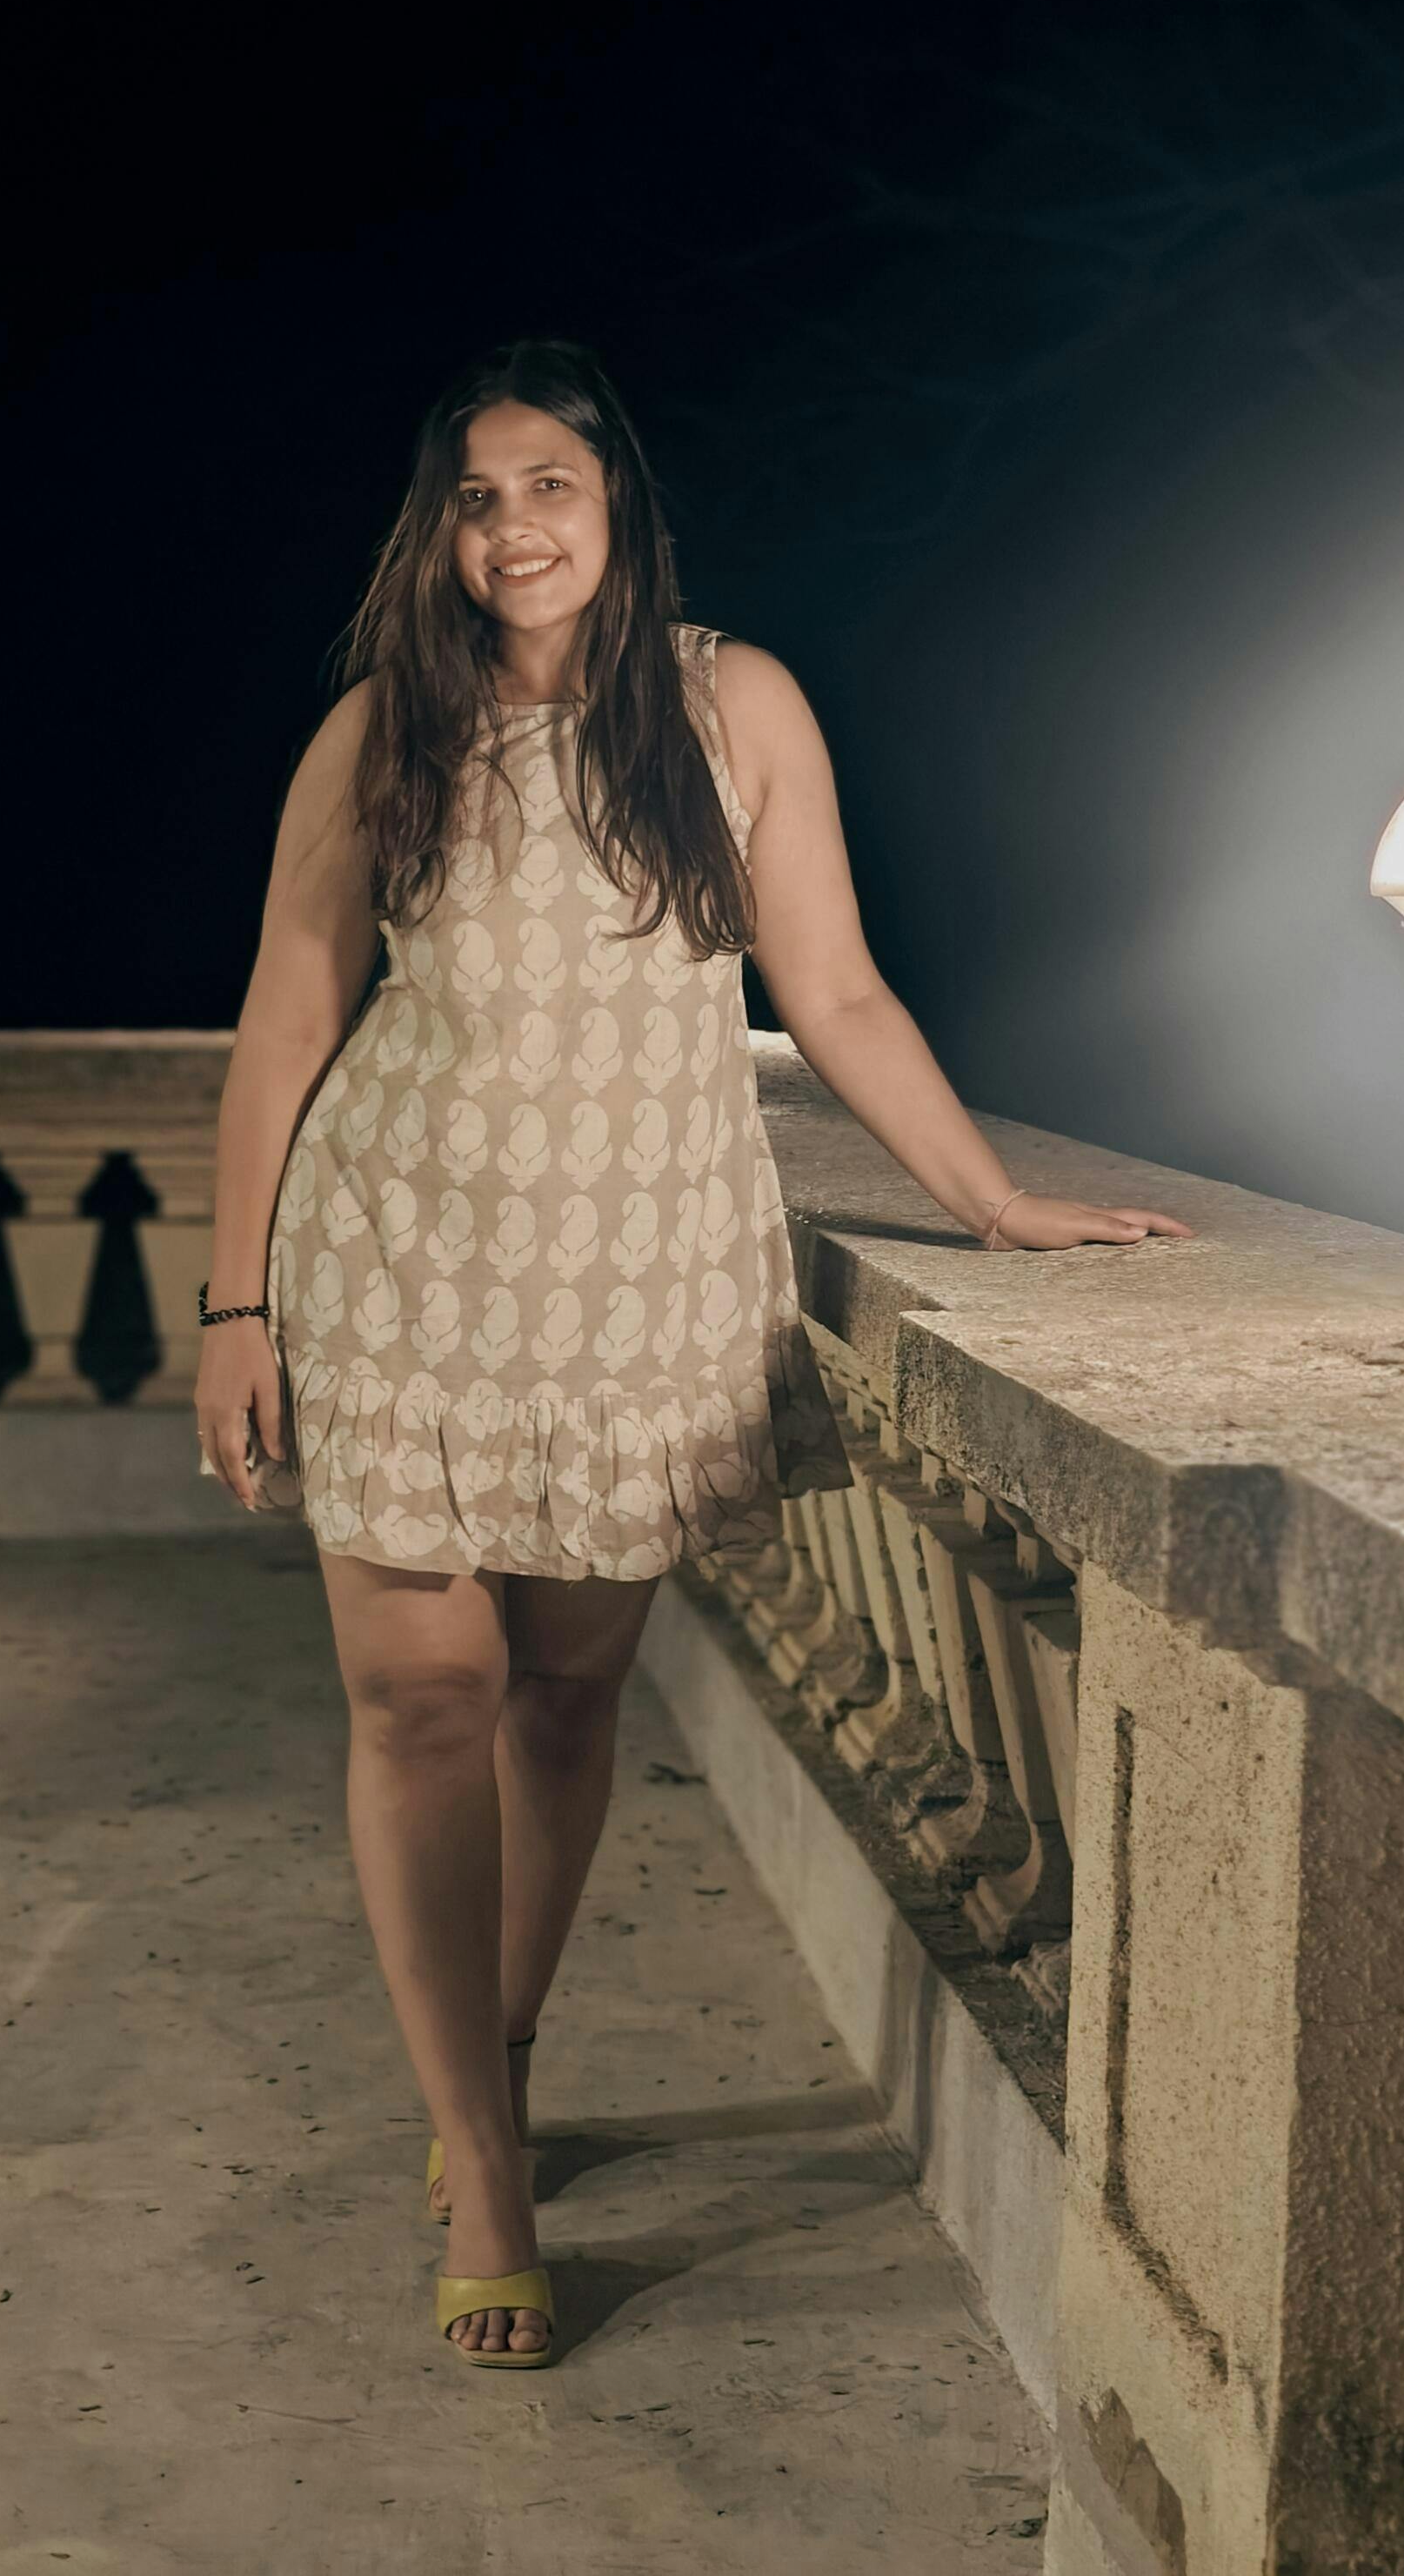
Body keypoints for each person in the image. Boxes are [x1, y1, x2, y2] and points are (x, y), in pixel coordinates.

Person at [196, 338, 1192, 2372]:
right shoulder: (385, 727)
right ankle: (487, 2165)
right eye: (477, 497)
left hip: (632, 1270)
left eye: (549, 485)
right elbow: (291, 1011)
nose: (514, 528)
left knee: (567, 1692)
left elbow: (833, 986)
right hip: (395, 1253)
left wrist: (993, 1198)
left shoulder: (732, 706)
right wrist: (235, 1302)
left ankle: (503, 2040)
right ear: (438, 531)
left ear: (617, 503)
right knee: (421, 1694)